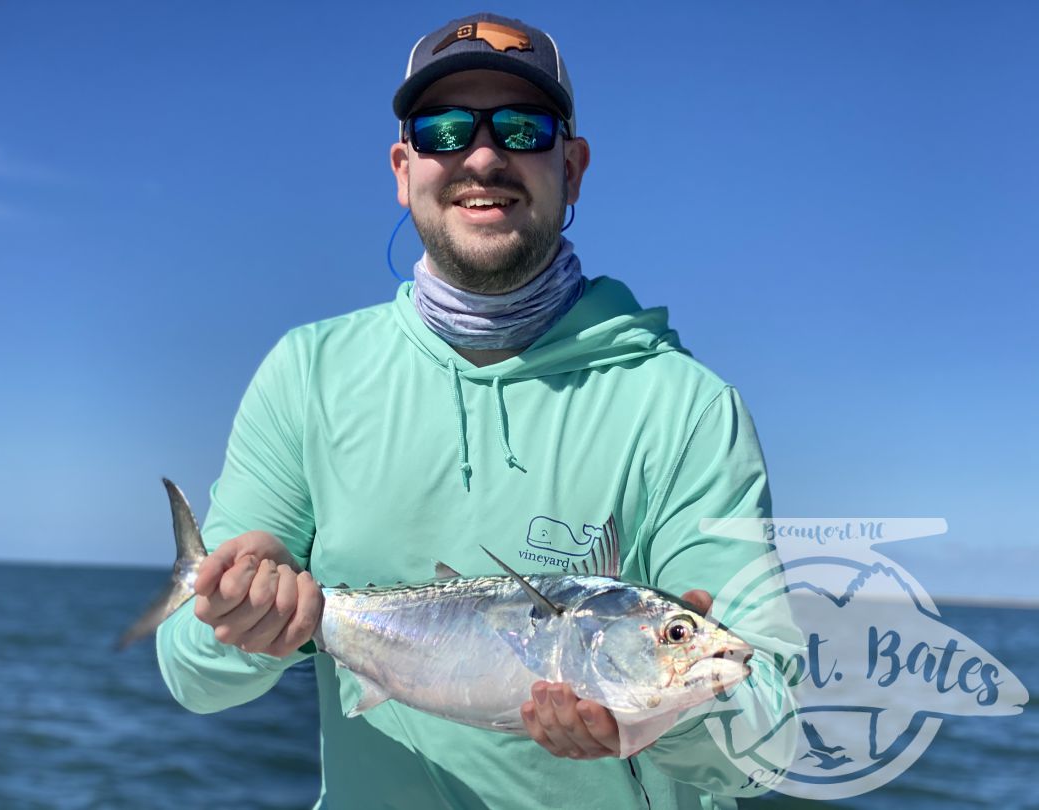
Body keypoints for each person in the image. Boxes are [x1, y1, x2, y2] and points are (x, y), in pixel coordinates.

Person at [156, 12, 798, 809]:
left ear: (573, 164)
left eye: (523, 128)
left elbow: (770, 726)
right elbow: (192, 676)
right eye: (445, 129)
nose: (484, 156)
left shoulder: (686, 408)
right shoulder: (308, 376)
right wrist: (242, 622)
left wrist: (666, 719)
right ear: (403, 167)